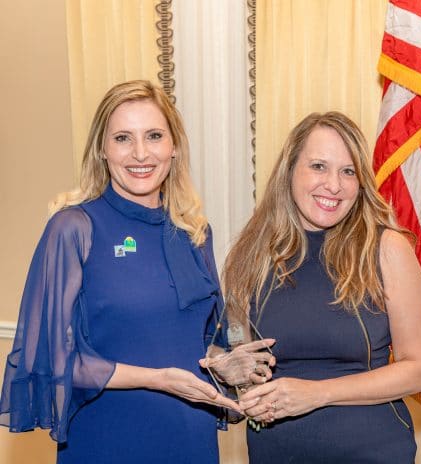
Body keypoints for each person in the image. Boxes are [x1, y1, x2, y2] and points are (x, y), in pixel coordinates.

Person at [0, 80, 273, 463]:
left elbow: (197, 339)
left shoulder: (194, 232)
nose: (141, 153)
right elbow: (52, 359)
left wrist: (224, 363)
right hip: (109, 439)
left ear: (174, 146)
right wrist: (157, 378)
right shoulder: (75, 228)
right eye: (123, 138)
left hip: (190, 440)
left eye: (154, 136)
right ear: (102, 149)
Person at [209, 111, 421, 463]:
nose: (334, 184)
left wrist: (317, 394)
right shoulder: (249, 254)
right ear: (290, 170)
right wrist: (229, 374)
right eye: (318, 166)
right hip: (276, 453)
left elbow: (419, 369)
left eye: (348, 171)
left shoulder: (386, 248)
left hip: (371, 452)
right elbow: (240, 360)